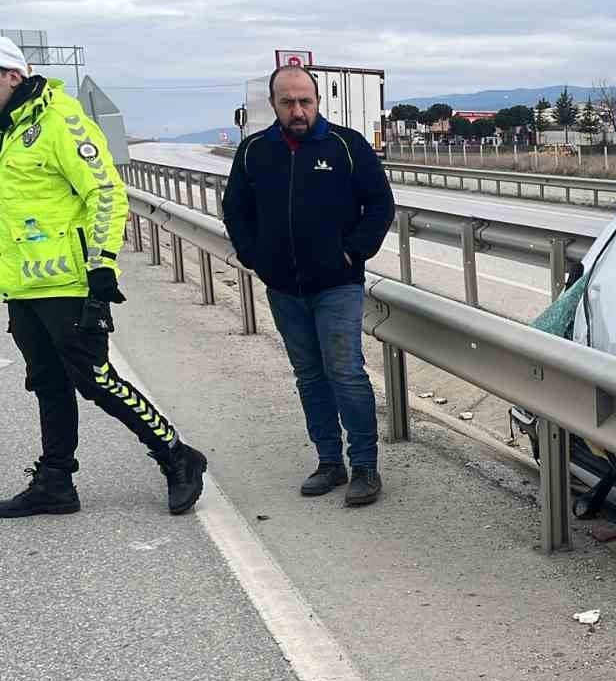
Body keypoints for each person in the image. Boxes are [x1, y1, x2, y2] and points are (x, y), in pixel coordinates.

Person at [0, 37, 207, 518]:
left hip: (69, 283)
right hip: (23, 286)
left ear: (12, 75)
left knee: (95, 380)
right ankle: (55, 483)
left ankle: (176, 456)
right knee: (47, 384)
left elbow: (108, 192)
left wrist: (102, 264)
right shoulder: (6, 132)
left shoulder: (59, 121)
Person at [222, 65, 395, 506]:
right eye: (288, 102)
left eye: (305, 101)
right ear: (274, 104)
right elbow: (236, 211)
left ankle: (365, 467)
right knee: (310, 376)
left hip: (338, 284)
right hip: (284, 288)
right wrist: (255, 257)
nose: (298, 110)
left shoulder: (346, 146)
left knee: (346, 373)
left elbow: (380, 204)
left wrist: (352, 252)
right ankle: (328, 461)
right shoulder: (254, 152)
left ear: (318, 101)